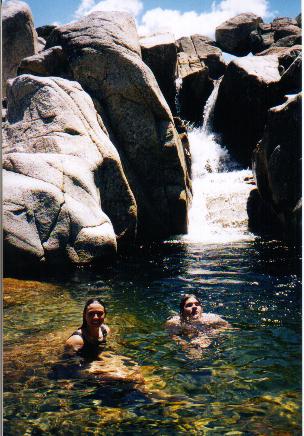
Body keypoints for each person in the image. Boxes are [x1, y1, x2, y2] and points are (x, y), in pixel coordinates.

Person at [165, 294, 230, 350]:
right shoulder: (175, 322)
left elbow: (228, 327)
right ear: (182, 311)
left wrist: (212, 334)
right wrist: (185, 344)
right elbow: (172, 335)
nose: (194, 307)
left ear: (202, 309)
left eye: (197, 304)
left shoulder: (211, 318)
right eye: (189, 305)